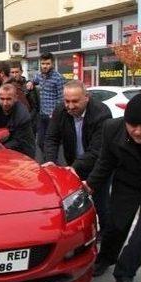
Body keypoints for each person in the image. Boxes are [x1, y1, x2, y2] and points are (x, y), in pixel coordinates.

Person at [86, 94, 141, 282]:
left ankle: (125, 274)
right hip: (127, 184)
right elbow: (105, 163)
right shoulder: (112, 129)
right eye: (132, 125)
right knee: (116, 226)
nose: (137, 131)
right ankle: (105, 259)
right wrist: (90, 186)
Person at [44, 80, 112, 230]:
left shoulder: (102, 113)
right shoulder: (61, 110)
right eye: (67, 101)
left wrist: (73, 168)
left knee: (101, 204)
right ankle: (82, 233)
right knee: (74, 205)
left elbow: (97, 150)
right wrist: (50, 161)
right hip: (74, 165)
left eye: (75, 101)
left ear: (86, 97)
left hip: (98, 166)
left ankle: (107, 237)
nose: (70, 106)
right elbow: (51, 138)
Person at [27, 52, 65, 157]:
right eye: (43, 63)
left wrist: (55, 113)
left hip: (52, 116)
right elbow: (33, 80)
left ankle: (52, 160)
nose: (45, 66)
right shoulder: (39, 76)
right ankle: (47, 157)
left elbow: (61, 99)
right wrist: (30, 82)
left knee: (51, 141)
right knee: (40, 141)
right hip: (42, 114)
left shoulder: (58, 78)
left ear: (52, 63)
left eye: (47, 63)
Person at [10, 61, 40, 135]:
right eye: (12, 72)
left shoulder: (28, 86)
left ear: (21, 72)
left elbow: (35, 107)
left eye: (16, 72)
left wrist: (28, 118)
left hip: (28, 122)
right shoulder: (8, 86)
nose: (14, 75)